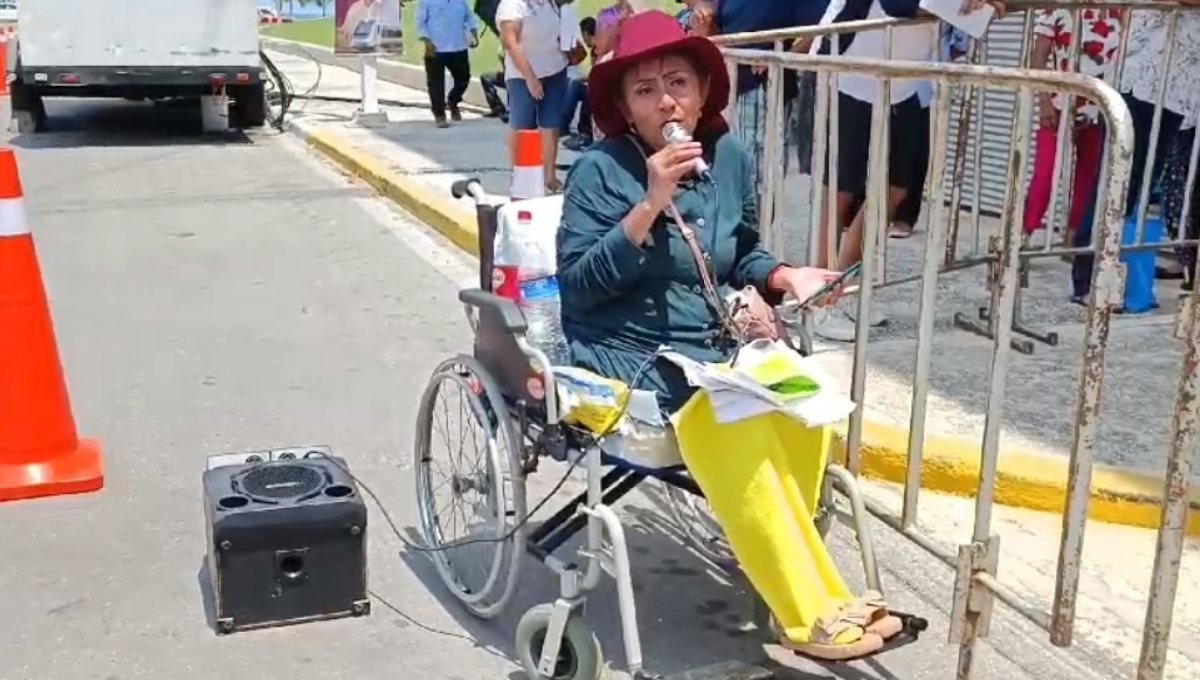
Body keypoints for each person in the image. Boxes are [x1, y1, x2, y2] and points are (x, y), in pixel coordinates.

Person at [557, 10, 908, 660]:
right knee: (732, 424)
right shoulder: (600, 171)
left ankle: (810, 590)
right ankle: (807, 616)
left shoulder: (731, 157)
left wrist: (786, 274)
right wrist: (650, 202)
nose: (665, 99)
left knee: (805, 414)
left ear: (702, 91)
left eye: (678, 82)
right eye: (644, 89)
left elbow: (740, 250)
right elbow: (578, 285)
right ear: (626, 108)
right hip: (627, 352)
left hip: (710, 349)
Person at [1023, 6, 1120, 251]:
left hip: (1102, 107)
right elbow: (1038, 57)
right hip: (1058, 105)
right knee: (1045, 174)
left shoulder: (1120, 11)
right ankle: (1023, 235)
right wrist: (1044, 101)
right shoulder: (1057, 8)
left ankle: (1073, 239)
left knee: (1088, 178)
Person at [496, 0, 572, 192]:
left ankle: (549, 176)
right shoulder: (512, 5)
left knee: (551, 125)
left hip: (554, 69)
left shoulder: (550, 3)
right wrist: (530, 77)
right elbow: (510, 44)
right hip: (522, 74)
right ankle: (520, 174)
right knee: (522, 126)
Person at [417, 0, 482, 127]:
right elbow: (420, 22)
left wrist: (474, 33)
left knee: (463, 78)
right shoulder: (427, 2)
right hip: (435, 49)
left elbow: (469, 16)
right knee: (436, 84)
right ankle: (440, 115)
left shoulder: (461, 2)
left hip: (458, 46)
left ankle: (453, 101)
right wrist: (427, 41)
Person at [560, 16, 597, 151]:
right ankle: (563, 126)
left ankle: (584, 134)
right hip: (598, 84)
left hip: (603, 89)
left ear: (586, 33)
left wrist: (582, 78)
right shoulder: (595, 50)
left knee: (583, 89)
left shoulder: (599, 48)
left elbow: (597, 73)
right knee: (578, 86)